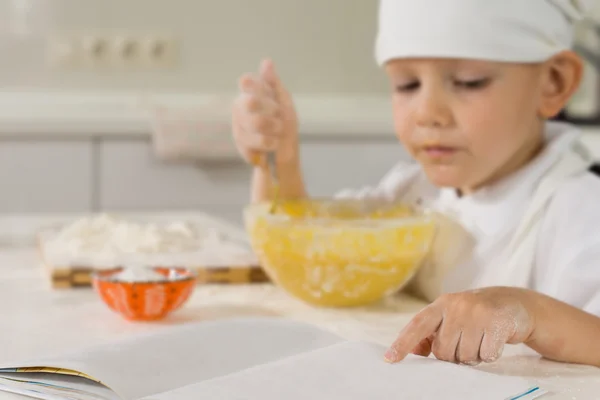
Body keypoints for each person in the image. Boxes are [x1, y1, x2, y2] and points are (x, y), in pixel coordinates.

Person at [231, 0, 600, 367]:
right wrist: (279, 162)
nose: (427, 113)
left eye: (469, 82)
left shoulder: (580, 211)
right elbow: (308, 251)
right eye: (407, 85)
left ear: (553, 83)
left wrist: (529, 311)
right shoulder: (412, 190)